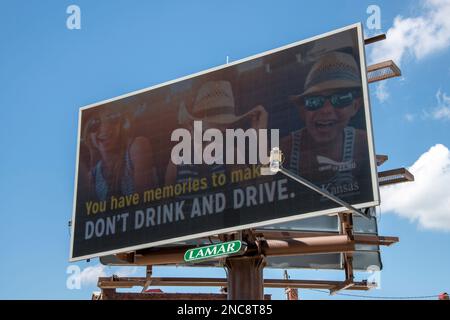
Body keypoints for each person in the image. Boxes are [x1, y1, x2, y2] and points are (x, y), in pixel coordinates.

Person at [281, 51, 370, 197]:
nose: (326, 110)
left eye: (340, 98)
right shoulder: (283, 151)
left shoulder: (363, 144)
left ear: (355, 106)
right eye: (314, 101)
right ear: (302, 111)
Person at [81, 104, 157, 201]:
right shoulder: (92, 177)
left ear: (121, 126)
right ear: (88, 135)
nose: (105, 128)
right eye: (95, 124)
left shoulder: (137, 147)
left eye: (112, 119)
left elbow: (144, 202)